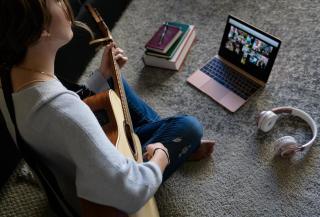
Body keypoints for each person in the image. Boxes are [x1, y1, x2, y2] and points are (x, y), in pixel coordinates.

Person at [0, 0, 215, 215]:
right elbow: (131, 190)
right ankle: (180, 145)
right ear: (40, 30)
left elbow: (66, 120)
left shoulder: (13, 77)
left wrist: (102, 75)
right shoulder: (63, 112)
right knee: (189, 126)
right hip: (98, 199)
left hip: (76, 162)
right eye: (56, 1)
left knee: (113, 81)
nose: (65, 2)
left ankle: (171, 136)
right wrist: (161, 155)